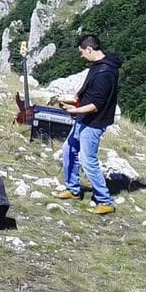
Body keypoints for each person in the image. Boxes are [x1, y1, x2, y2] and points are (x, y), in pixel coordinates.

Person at [56, 34, 123, 215]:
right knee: (68, 149)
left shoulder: (105, 73)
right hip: (84, 119)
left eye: (81, 52)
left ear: (89, 49)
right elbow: (89, 93)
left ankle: (104, 200)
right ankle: (73, 189)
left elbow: (96, 105)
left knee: (88, 160)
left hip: (94, 122)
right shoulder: (100, 66)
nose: (81, 56)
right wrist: (75, 100)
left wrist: (74, 111)